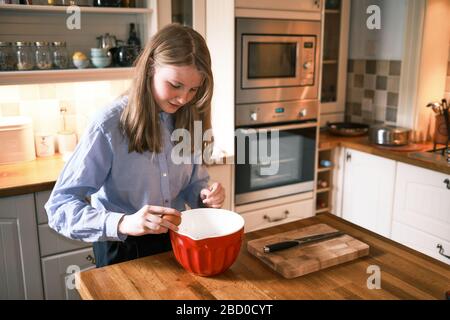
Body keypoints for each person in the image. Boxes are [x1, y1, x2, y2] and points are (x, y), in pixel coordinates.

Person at [45, 24, 225, 267]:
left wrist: (205, 196)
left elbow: (192, 182)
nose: (184, 98)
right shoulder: (108, 125)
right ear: (150, 68)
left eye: (194, 89)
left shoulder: (188, 116)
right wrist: (123, 223)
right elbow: (59, 207)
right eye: (175, 85)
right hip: (121, 249)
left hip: (174, 242)